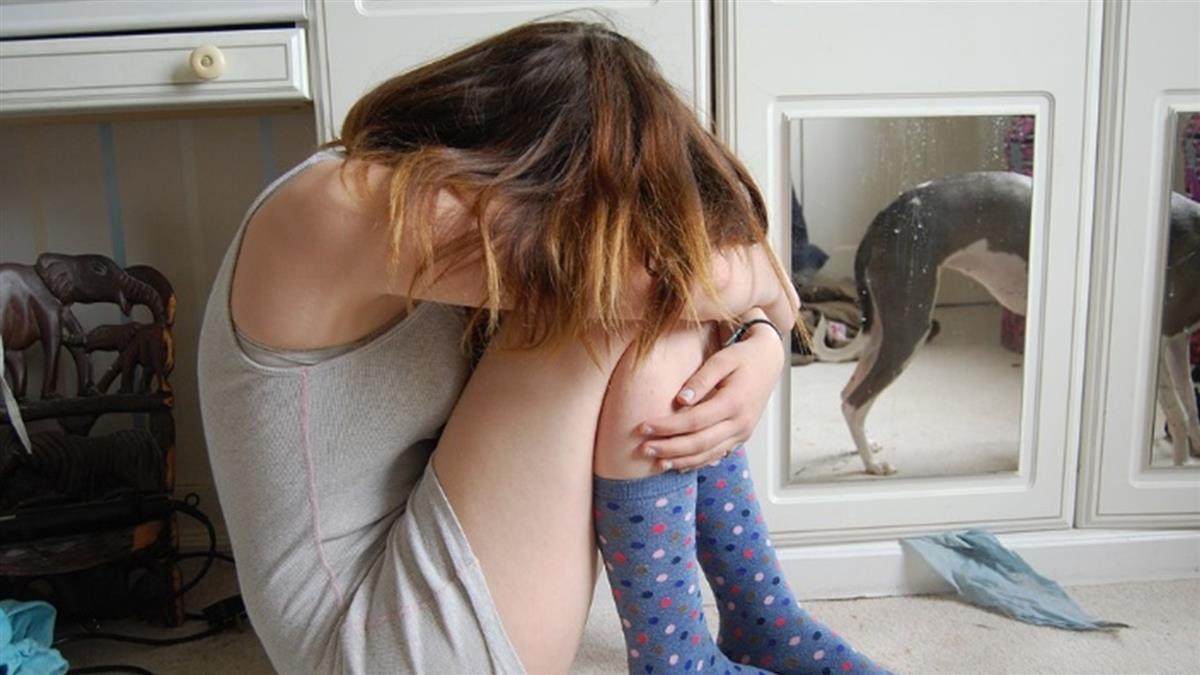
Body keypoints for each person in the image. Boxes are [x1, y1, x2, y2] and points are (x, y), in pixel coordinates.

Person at [196, 14, 891, 675]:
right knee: (638, 308)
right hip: (370, 647)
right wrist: (767, 296)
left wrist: (763, 336)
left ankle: (763, 617)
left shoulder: (452, 208)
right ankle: (679, 660)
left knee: (661, 295)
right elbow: (660, 278)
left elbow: (698, 266)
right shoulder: (342, 206)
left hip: (420, 573)